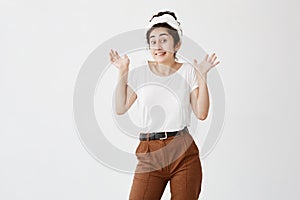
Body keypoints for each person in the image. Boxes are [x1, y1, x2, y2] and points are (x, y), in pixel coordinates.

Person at [109, 10, 220, 200]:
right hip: (149, 152)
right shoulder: (140, 73)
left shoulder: (188, 72)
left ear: (177, 44)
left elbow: (202, 113)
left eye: (164, 40)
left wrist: (202, 77)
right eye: (153, 41)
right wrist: (123, 71)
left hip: (183, 151)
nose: (158, 46)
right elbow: (120, 108)